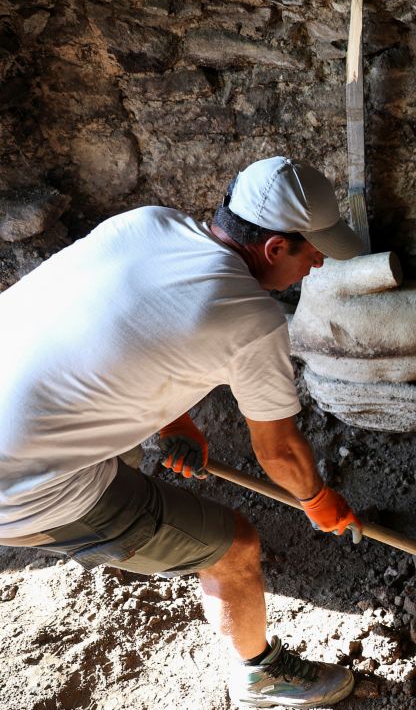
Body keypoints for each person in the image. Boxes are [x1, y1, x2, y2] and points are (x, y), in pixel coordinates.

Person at [0, 156, 367, 707]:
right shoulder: (253, 320)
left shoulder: (145, 223)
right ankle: (258, 674)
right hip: (24, 493)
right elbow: (279, 450)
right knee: (234, 547)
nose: (317, 263)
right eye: (311, 252)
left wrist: (172, 422)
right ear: (273, 249)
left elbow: (125, 328)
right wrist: (317, 500)